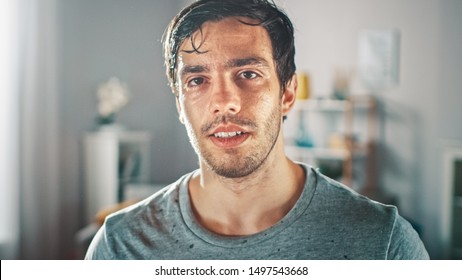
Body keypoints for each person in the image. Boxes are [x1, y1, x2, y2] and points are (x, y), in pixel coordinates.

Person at [85, 0, 429, 260]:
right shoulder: (120, 247)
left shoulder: (384, 244)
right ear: (179, 104)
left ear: (288, 93)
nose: (224, 103)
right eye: (198, 80)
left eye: (248, 74)